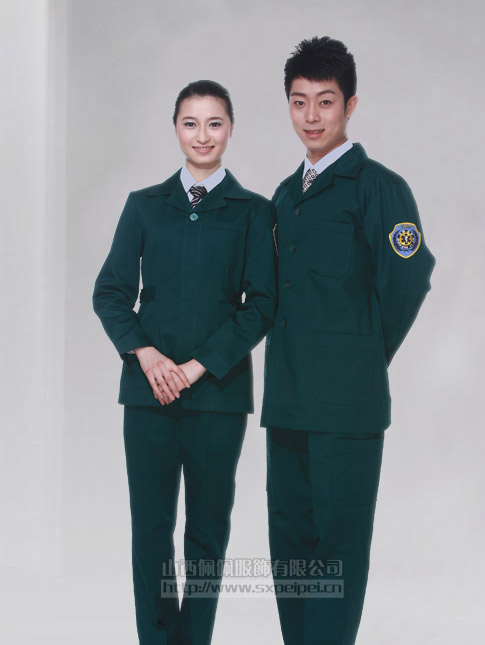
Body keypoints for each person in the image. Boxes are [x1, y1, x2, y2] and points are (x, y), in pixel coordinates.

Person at [261, 37, 435, 645]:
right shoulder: (285, 197)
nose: (311, 116)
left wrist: (359, 357)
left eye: (325, 101)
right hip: (286, 405)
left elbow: (409, 277)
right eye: (299, 101)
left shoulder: (378, 188)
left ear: (350, 105)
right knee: (290, 552)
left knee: (335, 555)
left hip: (346, 410)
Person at [93, 80, 277, 645]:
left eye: (214, 123)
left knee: (207, 532)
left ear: (230, 129)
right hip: (147, 393)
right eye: (191, 123)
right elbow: (111, 292)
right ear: (176, 128)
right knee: (150, 529)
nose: (202, 135)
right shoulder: (144, 205)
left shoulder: (254, 211)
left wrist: (195, 367)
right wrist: (148, 357)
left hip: (217, 395)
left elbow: (261, 305)